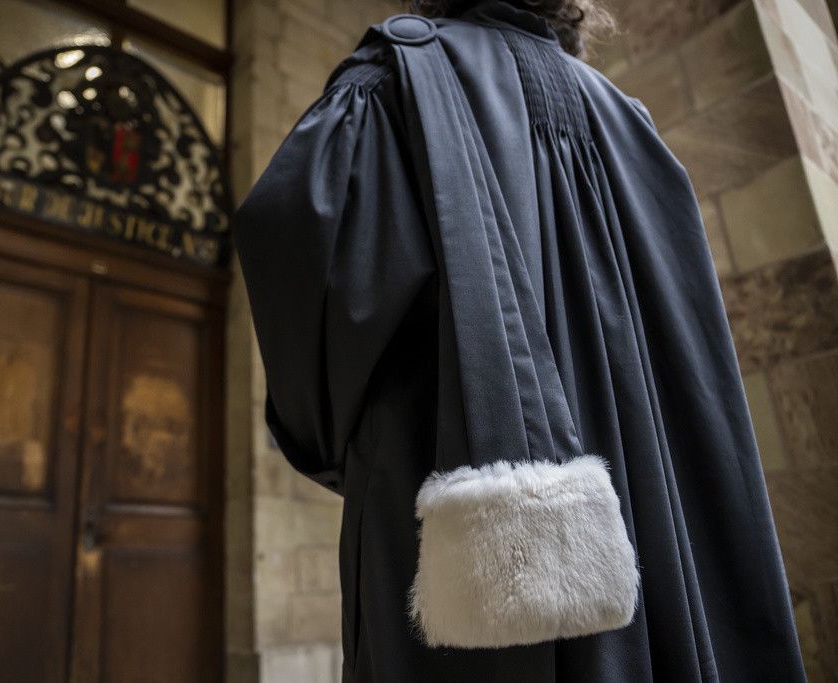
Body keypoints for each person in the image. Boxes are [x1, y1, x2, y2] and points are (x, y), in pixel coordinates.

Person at [231, 0, 807, 680]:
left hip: (460, 569)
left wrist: (331, 448)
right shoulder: (634, 127)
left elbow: (306, 303)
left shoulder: (390, 86)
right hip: (666, 548)